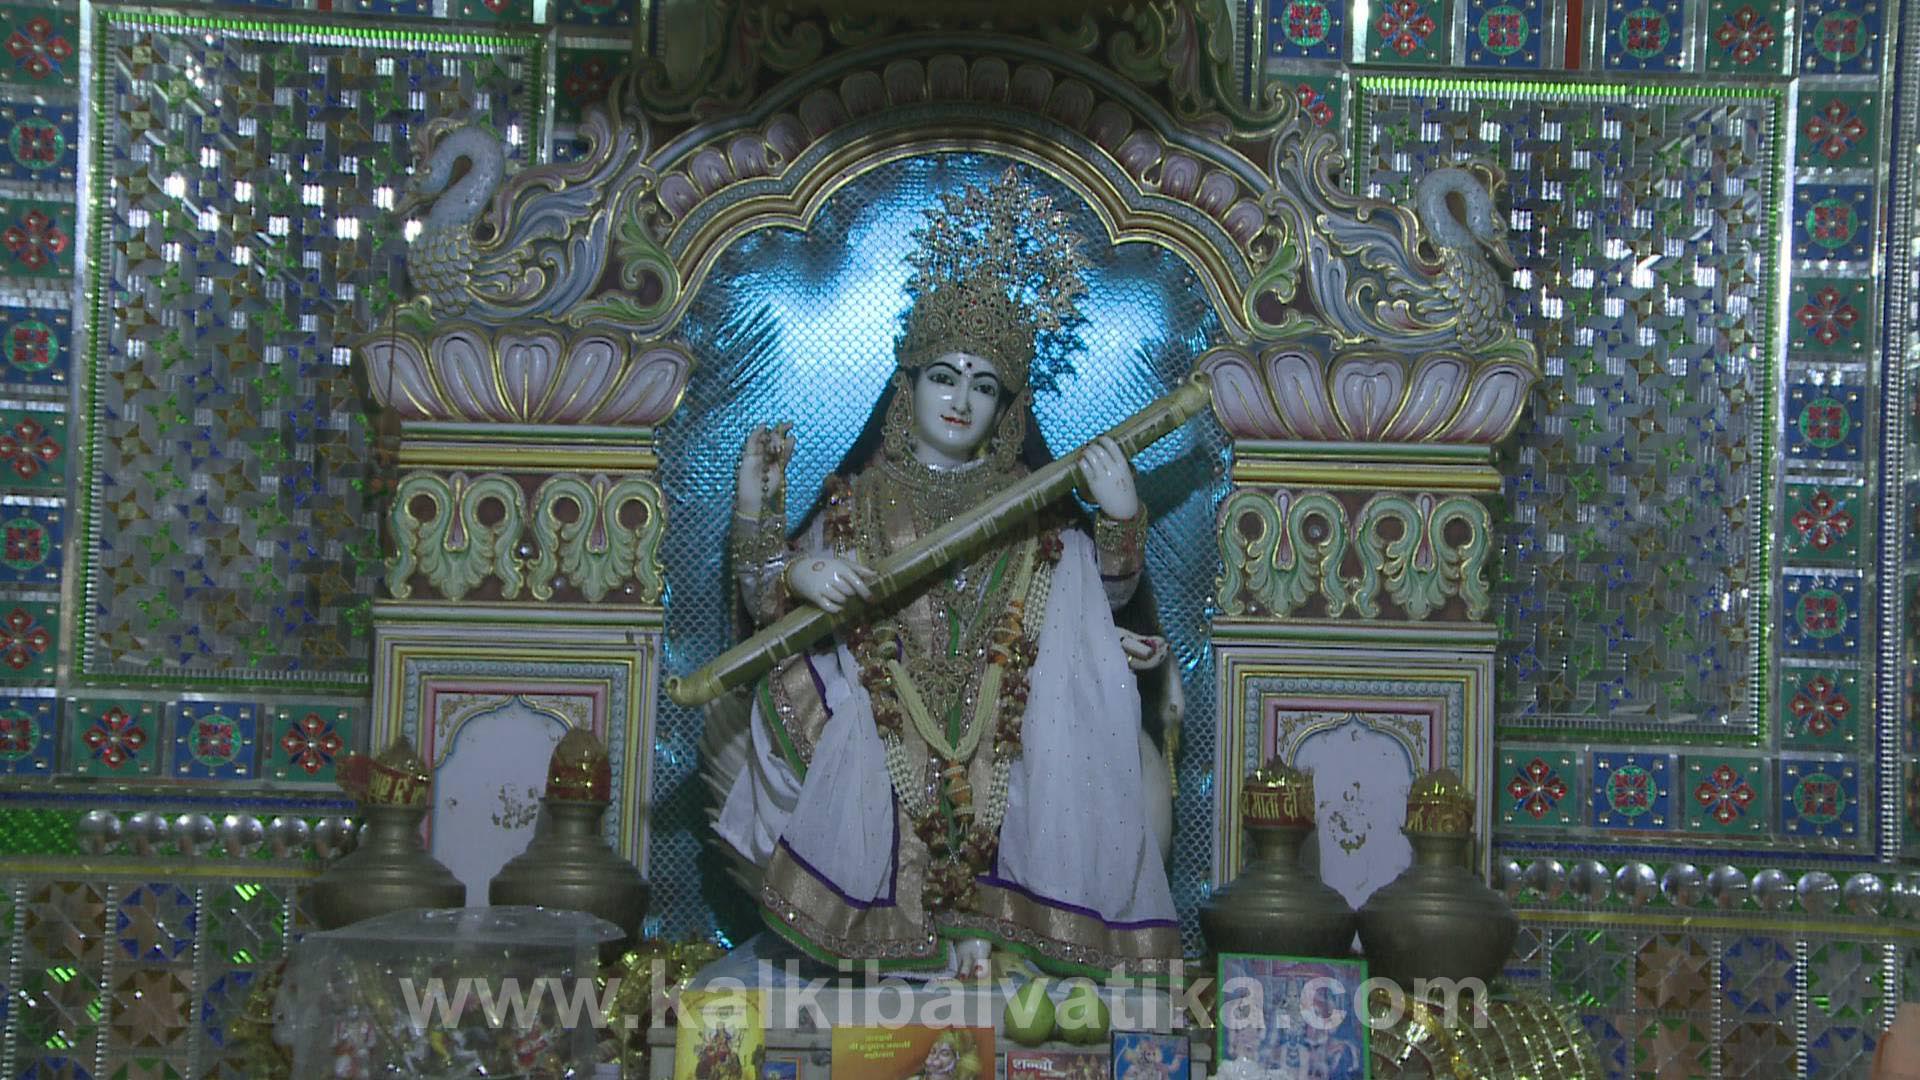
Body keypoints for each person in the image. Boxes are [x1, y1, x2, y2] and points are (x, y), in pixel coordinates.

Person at [714, 168, 1179, 979]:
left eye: (983, 385)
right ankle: (902, 931)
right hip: (881, 708)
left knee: (1066, 715)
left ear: (1006, 410)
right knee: (816, 704)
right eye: (943, 376)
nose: (961, 399)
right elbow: (763, 605)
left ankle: (994, 928)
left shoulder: (1028, 508)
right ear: (909, 388)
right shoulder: (858, 502)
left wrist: (1118, 515)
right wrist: (790, 559)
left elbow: (1094, 594)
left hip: (1012, 713)